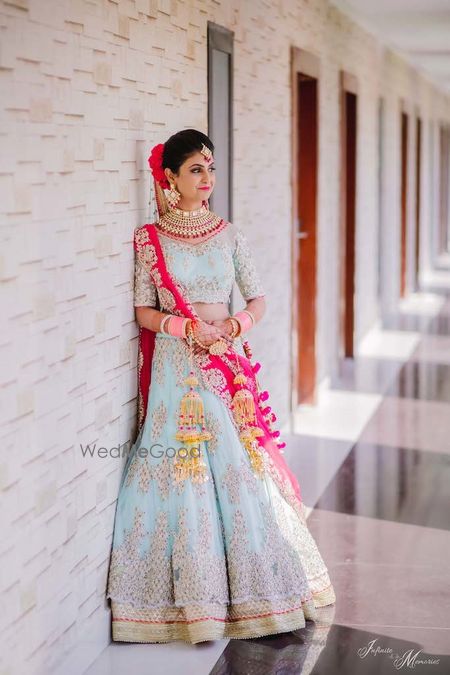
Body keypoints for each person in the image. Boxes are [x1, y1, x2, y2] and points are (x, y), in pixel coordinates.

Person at [105, 129, 336, 644]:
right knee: (179, 470)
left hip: (224, 361)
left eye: (210, 169)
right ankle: (187, 604)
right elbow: (143, 310)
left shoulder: (230, 235)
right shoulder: (150, 239)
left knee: (235, 467)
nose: (207, 179)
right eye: (195, 170)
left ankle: (255, 594)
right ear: (170, 177)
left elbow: (257, 299)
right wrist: (185, 328)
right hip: (177, 365)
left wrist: (232, 329)